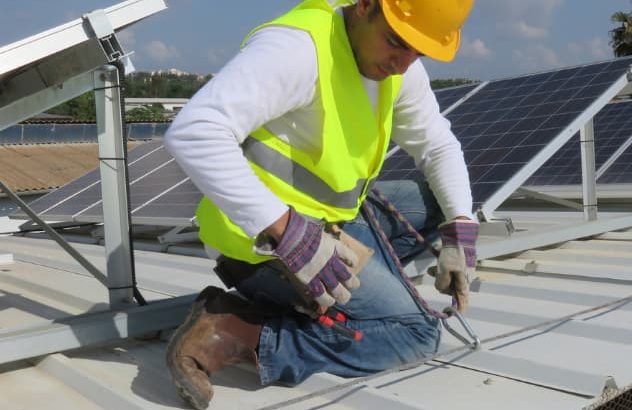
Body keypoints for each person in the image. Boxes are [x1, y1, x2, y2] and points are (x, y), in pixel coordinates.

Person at [163, 0, 477, 408]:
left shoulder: (400, 65)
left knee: (443, 204)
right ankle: (235, 331)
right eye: (397, 41)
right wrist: (287, 232)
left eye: (420, 51)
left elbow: (437, 145)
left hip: (336, 222)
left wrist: (461, 228)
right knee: (414, 333)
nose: (404, 63)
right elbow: (194, 130)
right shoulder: (297, 49)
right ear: (365, 5)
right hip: (262, 242)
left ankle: (337, 289)